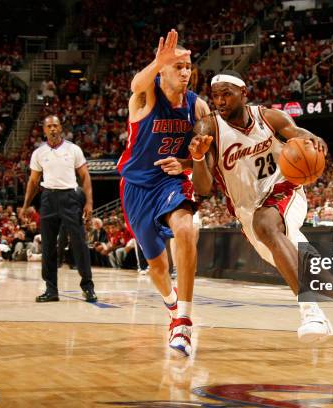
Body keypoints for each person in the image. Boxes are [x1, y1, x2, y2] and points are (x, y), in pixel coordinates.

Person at [189, 70, 333, 342]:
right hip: (247, 213)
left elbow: (302, 135)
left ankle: (312, 313)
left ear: (244, 93)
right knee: (324, 281)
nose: (220, 101)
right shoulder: (208, 128)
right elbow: (203, 188)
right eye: (215, 95)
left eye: (226, 94)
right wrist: (196, 158)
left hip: (284, 191)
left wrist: (314, 142)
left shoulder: (269, 117)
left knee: (265, 223)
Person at [116, 29, 210, 357]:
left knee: (186, 229)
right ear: (163, 71)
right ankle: (172, 305)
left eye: (188, 67)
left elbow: (207, 151)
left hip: (170, 181)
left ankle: (183, 319)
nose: (185, 72)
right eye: (177, 67)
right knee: (158, 266)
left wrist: (187, 159)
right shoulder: (146, 97)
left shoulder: (197, 107)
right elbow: (135, 85)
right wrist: (158, 61)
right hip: (137, 187)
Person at [22, 115, 97, 303]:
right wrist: (25, 205)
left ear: (60, 128)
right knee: (48, 246)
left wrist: (88, 203)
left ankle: (88, 287)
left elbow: (85, 177)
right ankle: (51, 289)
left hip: (70, 197)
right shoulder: (39, 153)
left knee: (79, 243)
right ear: (44, 130)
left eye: (56, 125)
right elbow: (33, 181)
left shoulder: (73, 149)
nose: (53, 129)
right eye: (49, 126)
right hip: (48, 198)